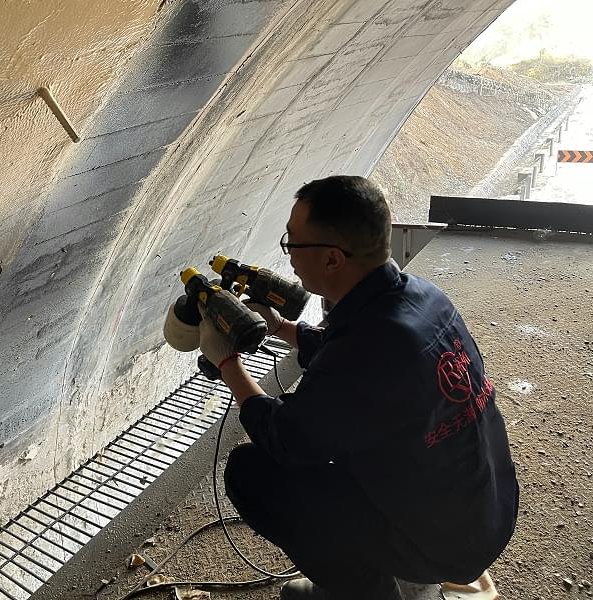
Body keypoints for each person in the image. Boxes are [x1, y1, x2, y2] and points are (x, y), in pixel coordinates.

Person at [196, 176, 519, 600]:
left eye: (292, 243)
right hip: (490, 508)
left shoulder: (369, 349)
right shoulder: (422, 297)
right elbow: (351, 356)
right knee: (337, 442)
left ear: (332, 260)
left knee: (253, 474)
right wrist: (281, 328)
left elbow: (285, 437)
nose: (288, 256)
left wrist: (227, 362)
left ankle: (363, 592)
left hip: (446, 545)